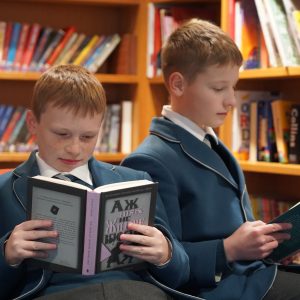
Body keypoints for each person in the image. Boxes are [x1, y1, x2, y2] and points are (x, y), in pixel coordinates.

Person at [121, 19, 300, 300]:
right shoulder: (149, 161)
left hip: (254, 275)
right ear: (177, 84)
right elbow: (160, 261)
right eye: (219, 89)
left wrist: (269, 248)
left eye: (233, 87)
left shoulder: (211, 142)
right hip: (218, 289)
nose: (231, 100)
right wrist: (229, 249)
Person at [0, 65, 189, 300]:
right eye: (62, 134)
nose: (75, 148)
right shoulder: (4, 191)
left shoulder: (134, 180)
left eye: (88, 137)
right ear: (32, 123)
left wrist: (165, 254)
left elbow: (181, 274)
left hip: (134, 293)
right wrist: (7, 256)